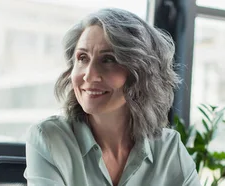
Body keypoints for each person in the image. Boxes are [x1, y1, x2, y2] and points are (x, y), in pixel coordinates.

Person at [24, 8, 200, 186]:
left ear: (141, 73)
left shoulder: (169, 149)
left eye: (108, 59)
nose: (89, 75)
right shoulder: (49, 139)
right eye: (82, 58)